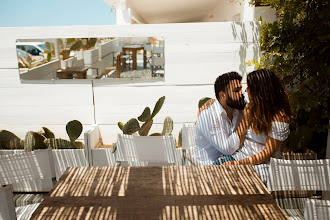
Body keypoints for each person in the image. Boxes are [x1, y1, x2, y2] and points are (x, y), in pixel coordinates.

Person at [223, 69, 292, 167]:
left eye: (249, 87)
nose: (246, 90)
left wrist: (237, 164)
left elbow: (267, 153)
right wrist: (246, 120)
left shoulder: (279, 118)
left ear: (260, 92)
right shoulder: (253, 109)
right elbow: (236, 142)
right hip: (239, 157)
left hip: (259, 166)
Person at [194, 71, 250, 165]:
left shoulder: (239, 108)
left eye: (241, 89)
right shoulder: (209, 115)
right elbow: (227, 149)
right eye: (236, 91)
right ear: (223, 95)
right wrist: (245, 121)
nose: (241, 93)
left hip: (233, 162)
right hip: (208, 167)